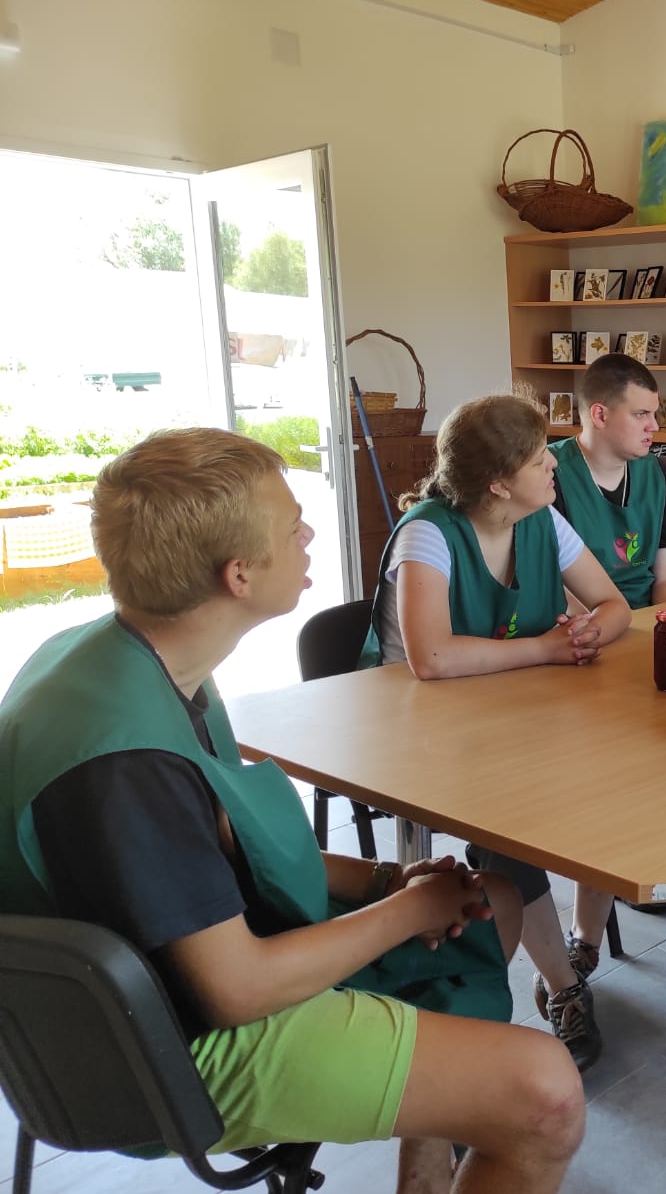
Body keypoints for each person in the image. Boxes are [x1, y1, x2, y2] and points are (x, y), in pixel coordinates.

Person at [0, 428, 583, 1194]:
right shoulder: (125, 763)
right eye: (292, 526)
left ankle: (424, 1171)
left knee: (490, 901)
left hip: (170, 975)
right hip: (161, 1046)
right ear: (237, 574)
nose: (309, 535)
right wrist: (408, 909)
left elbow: (221, 839)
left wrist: (384, 880)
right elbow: (235, 988)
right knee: (546, 1095)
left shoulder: (129, 656)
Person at [360, 393, 633, 1071]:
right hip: (421, 735)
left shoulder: (542, 518)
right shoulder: (428, 532)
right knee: (503, 826)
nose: (554, 466)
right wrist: (546, 648)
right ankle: (565, 988)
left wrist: (591, 630)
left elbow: (613, 603)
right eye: (539, 460)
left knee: (614, 775)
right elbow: (432, 658)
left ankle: (582, 944)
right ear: (498, 483)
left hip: (514, 715)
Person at [544, 355, 666, 992]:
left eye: (656, 414)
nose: (656, 426)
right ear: (599, 414)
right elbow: (559, 591)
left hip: (640, 632)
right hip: (580, 639)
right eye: (643, 414)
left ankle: (651, 865)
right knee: (602, 775)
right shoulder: (550, 474)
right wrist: (613, 634)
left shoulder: (656, 473)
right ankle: (586, 935)